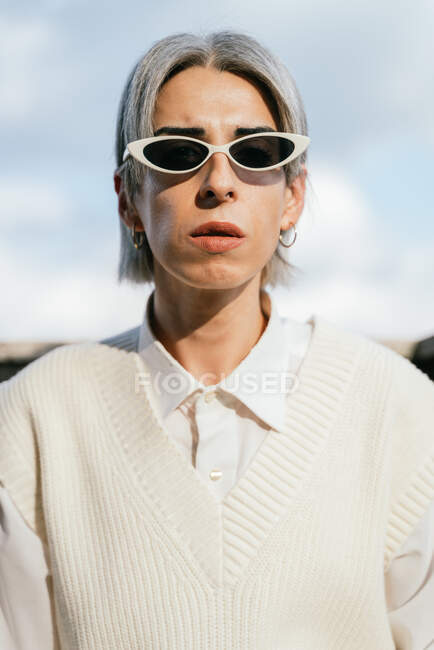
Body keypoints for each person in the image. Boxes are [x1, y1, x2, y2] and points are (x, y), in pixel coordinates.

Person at [1, 30, 433, 650]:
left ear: (294, 197)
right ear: (128, 198)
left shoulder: (400, 410)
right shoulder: (34, 419)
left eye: (257, 151)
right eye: (178, 152)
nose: (219, 182)